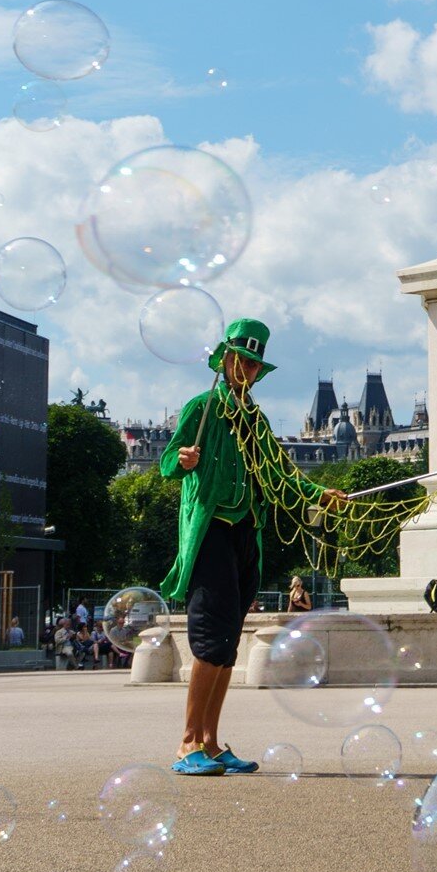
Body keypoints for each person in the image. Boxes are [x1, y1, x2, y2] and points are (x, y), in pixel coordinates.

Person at [160, 318, 346, 776]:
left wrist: (320, 495)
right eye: (241, 359)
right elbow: (167, 461)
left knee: (226, 643)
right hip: (210, 531)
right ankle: (187, 744)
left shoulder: (256, 420)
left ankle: (211, 740)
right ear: (224, 361)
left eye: (254, 363)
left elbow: (281, 476)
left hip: (246, 532)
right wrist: (181, 461)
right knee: (209, 638)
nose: (246, 368)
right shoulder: (201, 408)